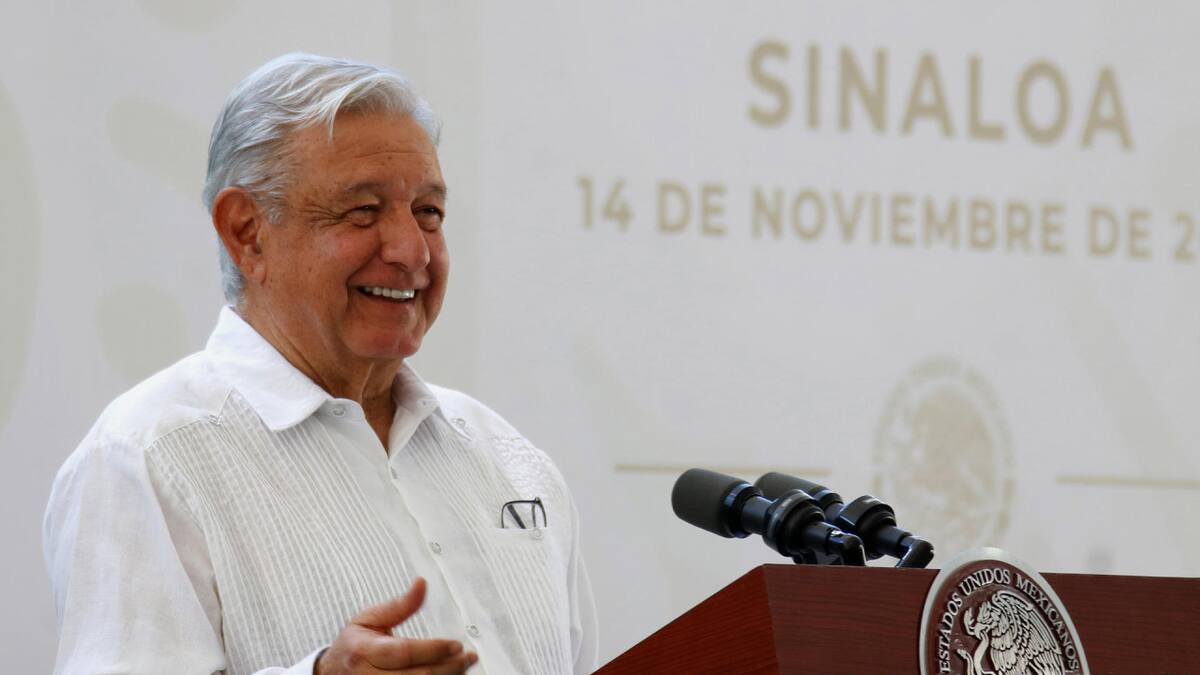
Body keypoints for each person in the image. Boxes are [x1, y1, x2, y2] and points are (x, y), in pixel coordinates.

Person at [43, 53, 598, 675]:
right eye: (362, 212)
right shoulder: (147, 459)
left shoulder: (510, 461)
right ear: (247, 231)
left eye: (429, 213)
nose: (412, 252)